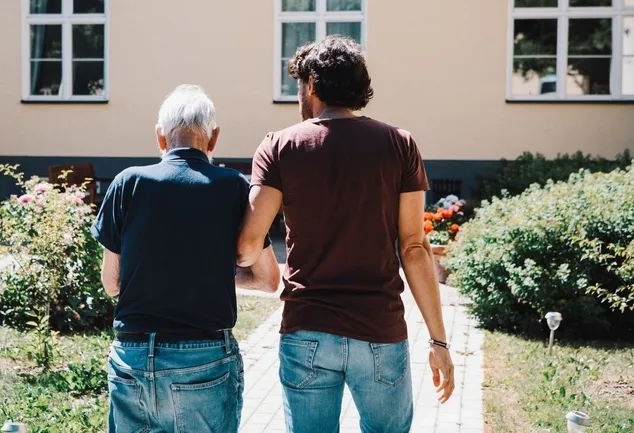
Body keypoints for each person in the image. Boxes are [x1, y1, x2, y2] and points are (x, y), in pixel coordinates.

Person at [236, 36, 454, 433]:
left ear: (313, 86)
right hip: (380, 332)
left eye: (300, 87)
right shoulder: (399, 144)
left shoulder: (279, 146)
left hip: (307, 329)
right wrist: (439, 342)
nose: (298, 97)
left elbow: (248, 245)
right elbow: (414, 247)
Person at [92, 84, 280, 433]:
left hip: (132, 357)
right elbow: (269, 280)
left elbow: (112, 283)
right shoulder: (233, 187)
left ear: (160, 137)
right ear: (214, 139)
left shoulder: (126, 183)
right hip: (203, 359)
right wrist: (215, 273)